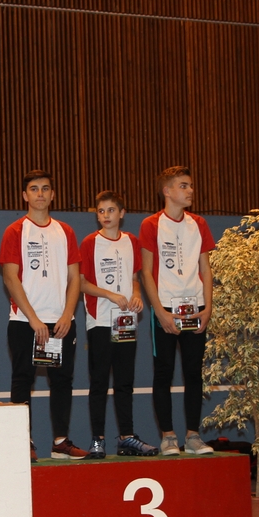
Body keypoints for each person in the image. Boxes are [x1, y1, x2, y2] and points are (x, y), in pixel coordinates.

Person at [0, 171, 83, 461]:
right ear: (25, 195)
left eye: (45, 189)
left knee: (62, 381)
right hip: (25, 322)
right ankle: (22, 442)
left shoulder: (66, 231)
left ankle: (60, 441)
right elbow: (10, 278)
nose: (40, 194)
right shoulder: (15, 231)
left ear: (52, 194)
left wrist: (68, 313)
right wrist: (34, 319)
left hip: (61, 322)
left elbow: (75, 278)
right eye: (34, 189)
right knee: (23, 379)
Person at [139, 165, 215, 456]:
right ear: (167, 191)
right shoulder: (151, 225)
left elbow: (206, 270)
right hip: (166, 309)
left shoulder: (199, 223)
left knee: (193, 373)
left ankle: (193, 436)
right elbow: (146, 272)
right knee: (164, 372)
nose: (190, 190)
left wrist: (207, 307)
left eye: (191, 185)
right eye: (184, 185)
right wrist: (159, 312)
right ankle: (168, 436)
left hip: (194, 309)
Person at [79, 191, 151, 458]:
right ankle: (97, 440)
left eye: (111, 210)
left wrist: (136, 294)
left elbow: (134, 277)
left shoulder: (131, 241)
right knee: (99, 381)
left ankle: (127, 437)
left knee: (124, 381)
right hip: (99, 321)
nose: (105, 215)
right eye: (101, 211)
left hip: (125, 323)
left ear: (121, 213)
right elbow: (82, 283)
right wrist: (110, 295)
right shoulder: (89, 243)